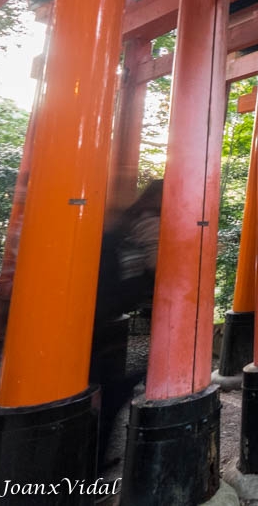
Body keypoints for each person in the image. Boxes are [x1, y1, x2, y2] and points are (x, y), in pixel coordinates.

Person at [93, 179, 163, 466]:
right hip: (117, 317)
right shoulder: (149, 223)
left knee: (109, 388)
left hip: (105, 316)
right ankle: (89, 463)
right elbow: (156, 267)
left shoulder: (127, 220)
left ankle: (93, 456)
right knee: (113, 389)